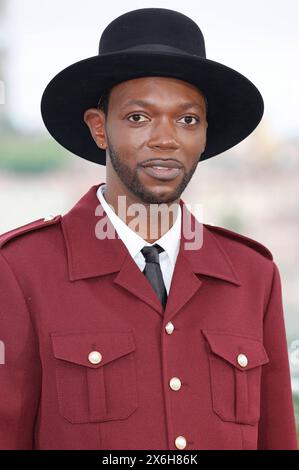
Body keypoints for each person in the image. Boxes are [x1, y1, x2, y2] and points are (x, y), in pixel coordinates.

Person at [0, 8, 297, 450]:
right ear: (99, 128)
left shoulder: (254, 276)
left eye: (188, 119)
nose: (166, 138)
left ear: (205, 135)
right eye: (139, 117)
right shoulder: (20, 269)